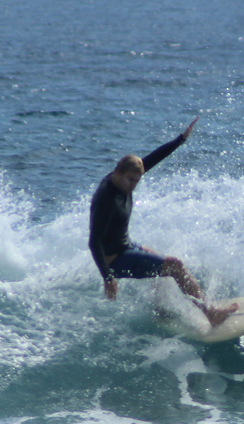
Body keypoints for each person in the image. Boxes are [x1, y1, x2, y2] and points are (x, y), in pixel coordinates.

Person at [89, 117, 235, 327]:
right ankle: (211, 313)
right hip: (115, 260)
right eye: (131, 180)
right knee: (175, 266)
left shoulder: (124, 176)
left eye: (137, 181)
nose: (134, 185)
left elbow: (153, 158)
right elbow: (93, 242)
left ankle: (160, 310)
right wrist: (108, 277)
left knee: (159, 260)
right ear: (118, 172)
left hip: (125, 245)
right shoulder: (106, 200)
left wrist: (181, 139)